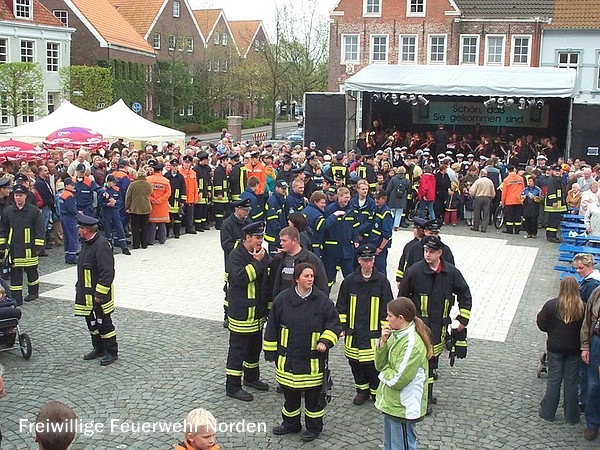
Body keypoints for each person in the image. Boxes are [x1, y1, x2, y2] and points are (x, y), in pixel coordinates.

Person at [263, 262, 342, 442]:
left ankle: (314, 428)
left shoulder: (322, 300)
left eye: (312, 276)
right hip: (288, 359)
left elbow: (334, 324)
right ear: (297, 279)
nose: (310, 279)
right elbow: (272, 327)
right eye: (306, 276)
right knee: (290, 396)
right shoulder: (282, 299)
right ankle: (291, 424)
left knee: (314, 400)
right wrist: (270, 351)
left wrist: (325, 341)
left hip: (312, 361)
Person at [398, 235, 472, 411]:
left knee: (432, 363)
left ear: (440, 253)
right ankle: (420, 398)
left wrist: (462, 319)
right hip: (418, 326)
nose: (427, 254)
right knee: (418, 363)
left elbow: (465, 294)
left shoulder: (451, 273)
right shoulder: (414, 271)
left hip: (439, 326)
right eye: (425, 251)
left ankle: (427, 395)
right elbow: (402, 298)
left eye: (431, 251)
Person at [337, 244, 393, 405]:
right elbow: (341, 306)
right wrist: (342, 327)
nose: (368, 263)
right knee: (355, 364)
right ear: (359, 261)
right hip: (353, 334)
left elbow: (387, 307)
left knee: (373, 366)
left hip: (373, 334)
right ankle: (361, 391)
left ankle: (375, 391)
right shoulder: (349, 282)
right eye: (365, 260)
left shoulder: (382, 282)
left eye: (371, 260)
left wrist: (385, 331)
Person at [374, 296, 432, 450]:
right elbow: (380, 364)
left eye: (389, 316)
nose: (386, 319)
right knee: (390, 446)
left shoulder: (412, 343)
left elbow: (397, 379)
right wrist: (382, 342)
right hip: (392, 403)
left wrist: (382, 374)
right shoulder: (395, 334)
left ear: (401, 318)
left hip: (403, 407)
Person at [225, 221, 271, 401]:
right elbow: (241, 278)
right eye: (258, 238)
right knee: (238, 351)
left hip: (257, 315)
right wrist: (256, 262)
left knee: (254, 349)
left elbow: (268, 277)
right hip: (242, 314)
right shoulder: (236, 256)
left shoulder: (261, 253)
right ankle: (233, 386)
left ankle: (251, 378)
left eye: (262, 238)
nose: (261, 241)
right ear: (248, 238)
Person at [537, 276, 583, 424]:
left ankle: (547, 412)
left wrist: (552, 330)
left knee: (554, 380)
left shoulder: (552, 305)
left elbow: (541, 323)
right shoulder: (583, 306)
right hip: (574, 349)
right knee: (571, 382)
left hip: (555, 348)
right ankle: (571, 416)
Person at [75, 213, 118, 366]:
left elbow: (107, 272)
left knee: (104, 324)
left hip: (99, 296)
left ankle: (111, 352)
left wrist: (99, 293)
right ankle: (98, 348)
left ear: (86, 229)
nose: (78, 230)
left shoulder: (101, 245)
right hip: (86, 294)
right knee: (92, 323)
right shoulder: (87, 243)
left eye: (79, 228)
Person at [0, 184, 45, 305]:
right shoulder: (8, 211)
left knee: (31, 272)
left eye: (20, 195)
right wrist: (2, 246)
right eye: (16, 195)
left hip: (30, 248)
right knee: (15, 274)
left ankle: (33, 292)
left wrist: (38, 246)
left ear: (26, 196)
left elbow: (39, 229)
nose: (18, 198)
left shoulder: (34, 211)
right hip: (14, 248)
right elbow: (3, 229)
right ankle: (16, 298)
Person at [322, 187, 359, 288]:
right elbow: (324, 227)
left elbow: (355, 227)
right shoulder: (329, 210)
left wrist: (356, 239)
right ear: (339, 197)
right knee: (329, 277)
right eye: (345, 197)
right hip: (331, 251)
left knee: (349, 276)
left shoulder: (352, 210)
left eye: (349, 197)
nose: (347, 200)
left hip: (346, 249)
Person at [580, 287, 600, 440]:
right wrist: (585, 346)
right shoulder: (597, 292)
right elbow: (587, 322)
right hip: (597, 343)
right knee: (594, 385)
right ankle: (592, 423)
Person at [99, 175, 130, 255]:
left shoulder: (117, 190)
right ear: (108, 182)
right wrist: (107, 204)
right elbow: (100, 203)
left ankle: (124, 247)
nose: (115, 184)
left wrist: (115, 202)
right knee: (108, 230)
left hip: (115, 212)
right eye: (113, 182)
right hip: (107, 212)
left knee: (119, 228)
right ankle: (109, 249)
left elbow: (121, 201)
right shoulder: (103, 190)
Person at [366, 190, 394, 276]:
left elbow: (387, 234)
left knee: (380, 270)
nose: (376, 200)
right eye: (375, 198)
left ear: (384, 199)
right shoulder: (376, 209)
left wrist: (380, 248)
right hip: (372, 243)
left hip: (379, 246)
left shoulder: (386, 213)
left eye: (378, 198)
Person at [125, 167, 153, 250]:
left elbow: (128, 197)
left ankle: (136, 244)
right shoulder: (148, 185)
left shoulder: (133, 184)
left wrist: (127, 206)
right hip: (145, 208)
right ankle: (144, 243)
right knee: (144, 226)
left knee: (135, 227)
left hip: (134, 208)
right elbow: (151, 193)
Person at [146, 162, 171, 245]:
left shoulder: (148, 179)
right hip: (162, 206)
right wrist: (160, 200)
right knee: (162, 223)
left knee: (152, 224)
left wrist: (152, 199)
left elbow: (146, 192)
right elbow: (168, 193)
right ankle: (162, 240)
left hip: (152, 205)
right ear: (160, 171)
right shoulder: (165, 181)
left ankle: (151, 241)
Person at [58, 178, 78, 264]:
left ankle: (67, 255)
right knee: (72, 236)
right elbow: (71, 209)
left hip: (63, 217)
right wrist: (77, 213)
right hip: (69, 218)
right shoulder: (69, 195)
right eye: (71, 185)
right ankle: (72, 257)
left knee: (67, 237)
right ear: (66, 185)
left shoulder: (62, 194)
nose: (73, 186)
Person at [469, 169, 496, 233]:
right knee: (486, 214)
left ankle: (476, 227)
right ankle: (484, 228)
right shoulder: (490, 182)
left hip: (478, 197)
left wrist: (472, 196)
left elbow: (472, 190)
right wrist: (491, 198)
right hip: (487, 198)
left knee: (477, 213)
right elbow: (493, 193)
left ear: (481, 174)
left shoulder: (478, 181)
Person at [264, 180, 288, 253]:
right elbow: (272, 220)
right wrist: (281, 231)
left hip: (280, 235)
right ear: (276, 188)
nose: (284, 190)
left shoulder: (281, 199)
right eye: (282, 188)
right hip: (274, 237)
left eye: (285, 188)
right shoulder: (272, 200)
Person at [165, 158, 186, 239]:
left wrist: (182, 200)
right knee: (168, 218)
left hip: (177, 200)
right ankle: (166, 234)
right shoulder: (167, 175)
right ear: (170, 167)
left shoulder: (180, 177)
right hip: (169, 199)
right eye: (173, 166)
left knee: (178, 218)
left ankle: (176, 233)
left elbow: (183, 188)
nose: (175, 168)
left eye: (176, 166)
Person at [545, 165, 566, 243]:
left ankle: (552, 235)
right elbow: (551, 192)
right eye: (556, 171)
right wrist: (554, 201)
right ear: (552, 171)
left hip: (559, 204)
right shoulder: (552, 180)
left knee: (555, 221)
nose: (557, 172)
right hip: (553, 204)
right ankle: (551, 236)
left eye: (559, 171)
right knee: (552, 221)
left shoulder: (559, 179)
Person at [501, 165, 525, 235]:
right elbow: (523, 189)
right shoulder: (520, 178)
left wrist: (503, 202)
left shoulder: (506, 180)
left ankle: (510, 230)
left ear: (508, 171)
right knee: (517, 215)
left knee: (509, 216)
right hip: (519, 200)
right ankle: (517, 230)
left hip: (509, 200)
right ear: (514, 170)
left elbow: (504, 192)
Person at [193, 151, 212, 231]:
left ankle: (204, 224)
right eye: (206, 160)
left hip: (205, 192)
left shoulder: (207, 168)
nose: (207, 161)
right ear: (202, 160)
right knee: (199, 209)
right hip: (199, 192)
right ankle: (198, 226)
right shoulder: (196, 169)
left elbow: (208, 180)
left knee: (205, 209)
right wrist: (197, 193)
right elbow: (196, 182)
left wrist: (209, 191)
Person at [179, 155, 199, 234]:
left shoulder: (193, 173)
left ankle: (189, 228)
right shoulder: (179, 172)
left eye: (188, 163)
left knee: (190, 215)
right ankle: (178, 229)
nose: (187, 164)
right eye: (185, 162)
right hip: (182, 197)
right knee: (180, 215)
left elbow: (195, 186)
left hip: (190, 197)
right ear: (182, 163)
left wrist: (196, 197)